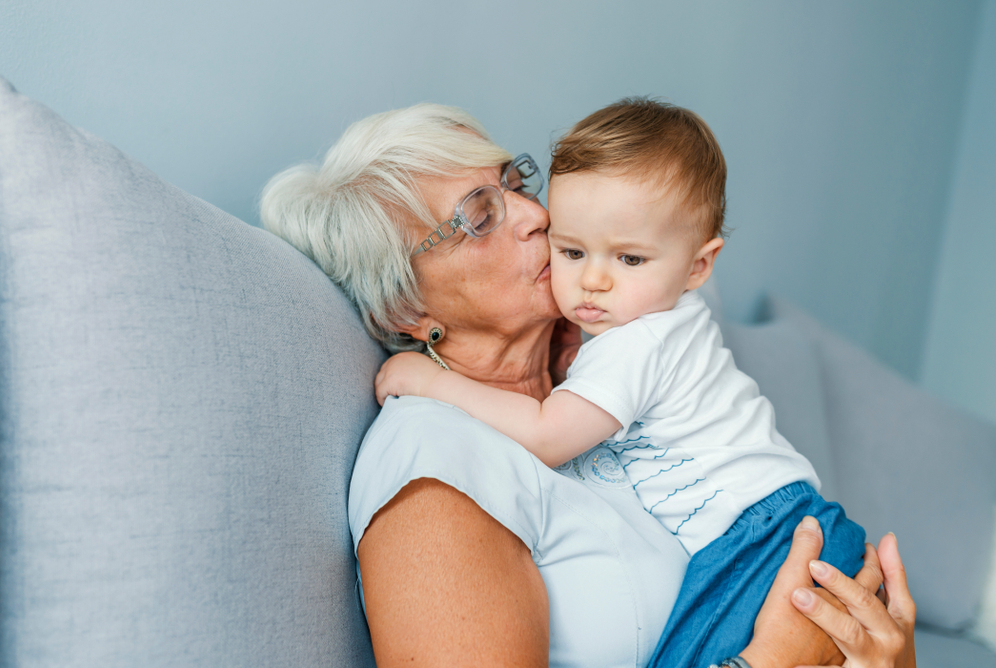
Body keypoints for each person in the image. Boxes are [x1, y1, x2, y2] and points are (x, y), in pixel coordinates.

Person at [259, 102, 915, 668]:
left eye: (515, 182)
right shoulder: (435, 467)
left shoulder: (606, 390)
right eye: (480, 215)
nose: (534, 214)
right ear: (408, 312)